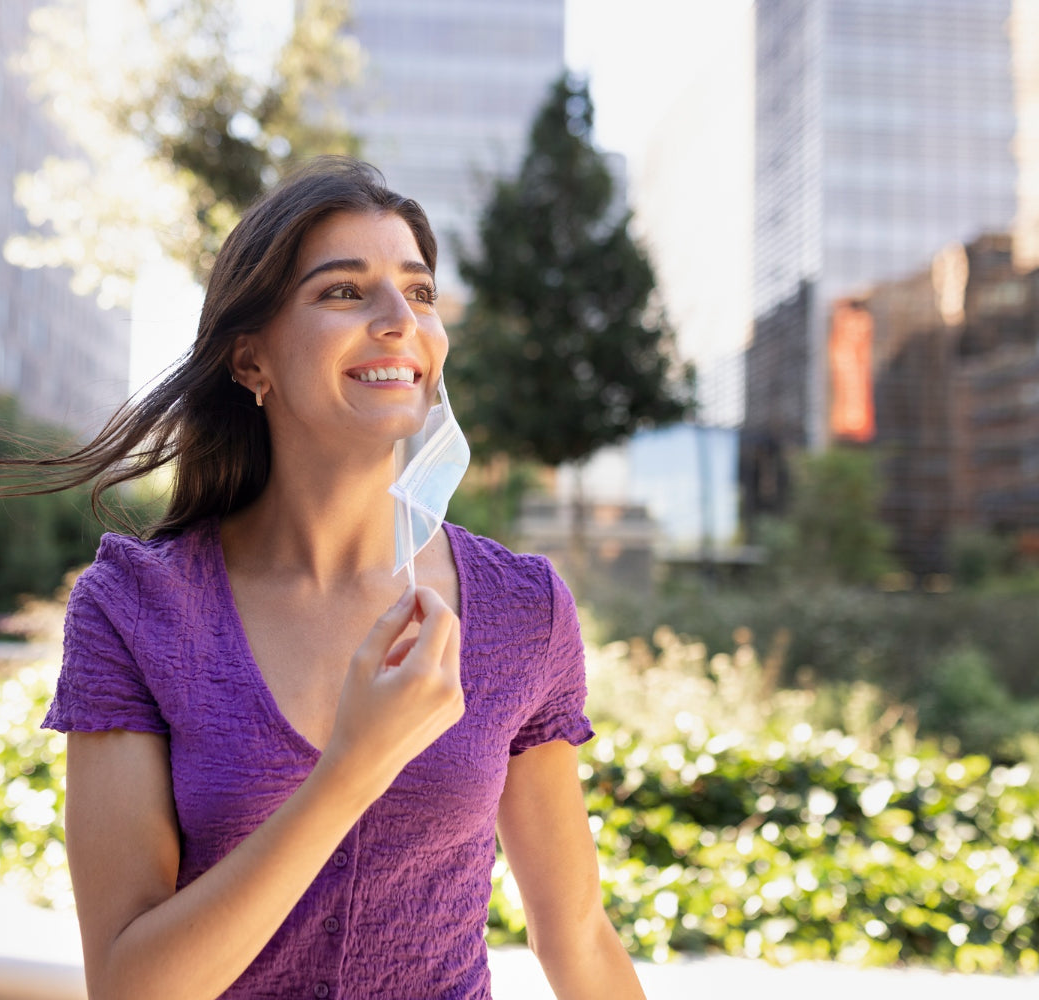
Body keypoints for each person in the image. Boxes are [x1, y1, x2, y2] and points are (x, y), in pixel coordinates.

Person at [40, 157, 646, 999]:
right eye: (345, 293)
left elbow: (576, 939)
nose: (402, 321)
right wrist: (355, 766)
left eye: (421, 292)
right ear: (250, 361)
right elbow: (130, 987)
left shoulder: (519, 610)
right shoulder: (138, 608)